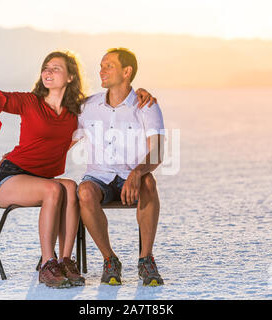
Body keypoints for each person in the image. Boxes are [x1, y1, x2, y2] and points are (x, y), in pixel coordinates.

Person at [0, 39, 155, 288]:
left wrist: (140, 93)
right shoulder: (29, 102)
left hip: (42, 179)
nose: (48, 71)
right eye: (45, 67)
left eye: (56, 68)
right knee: (53, 189)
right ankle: (48, 264)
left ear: (70, 77)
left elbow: (111, 103)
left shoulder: (76, 111)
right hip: (12, 177)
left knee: (70, 187)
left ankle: (66, 261)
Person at [73, 48, 165, 286]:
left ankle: (146, 260)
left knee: (148, 182)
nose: (101, 70)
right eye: (101, 65)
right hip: (98, 178)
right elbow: (62, 140)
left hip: (130, 178)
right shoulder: (87, 107)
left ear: (127, 71)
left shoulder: (147, 106)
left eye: (108, 66)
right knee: (84, 192)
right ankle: (110, 260)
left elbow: (156, 152)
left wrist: (137, 172)